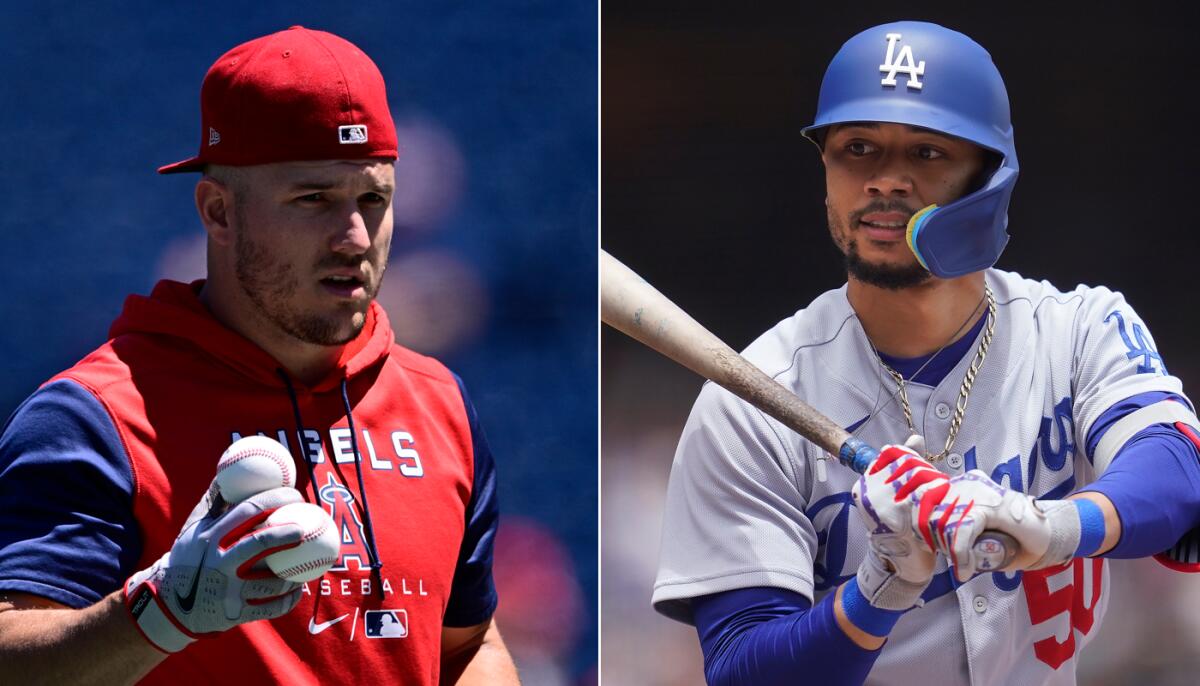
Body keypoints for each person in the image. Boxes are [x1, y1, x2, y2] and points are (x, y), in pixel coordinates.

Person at [651, 20, 1200, 685]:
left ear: (988, 177)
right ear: (825, 169)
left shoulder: (1079, 329)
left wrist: (1048, 524)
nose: (886, 180)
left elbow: (1176, 478)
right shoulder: (753, 400)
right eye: (858, 147)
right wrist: (877, 589)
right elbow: (741, 669)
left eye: (927, 152)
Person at [0, 26, 520, 685]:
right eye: (314, 200)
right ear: (218, 211)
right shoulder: (95, 416)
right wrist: (160, 615)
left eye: (373, 199)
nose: (355, 237)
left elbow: (468, 645)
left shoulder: (438, 402)